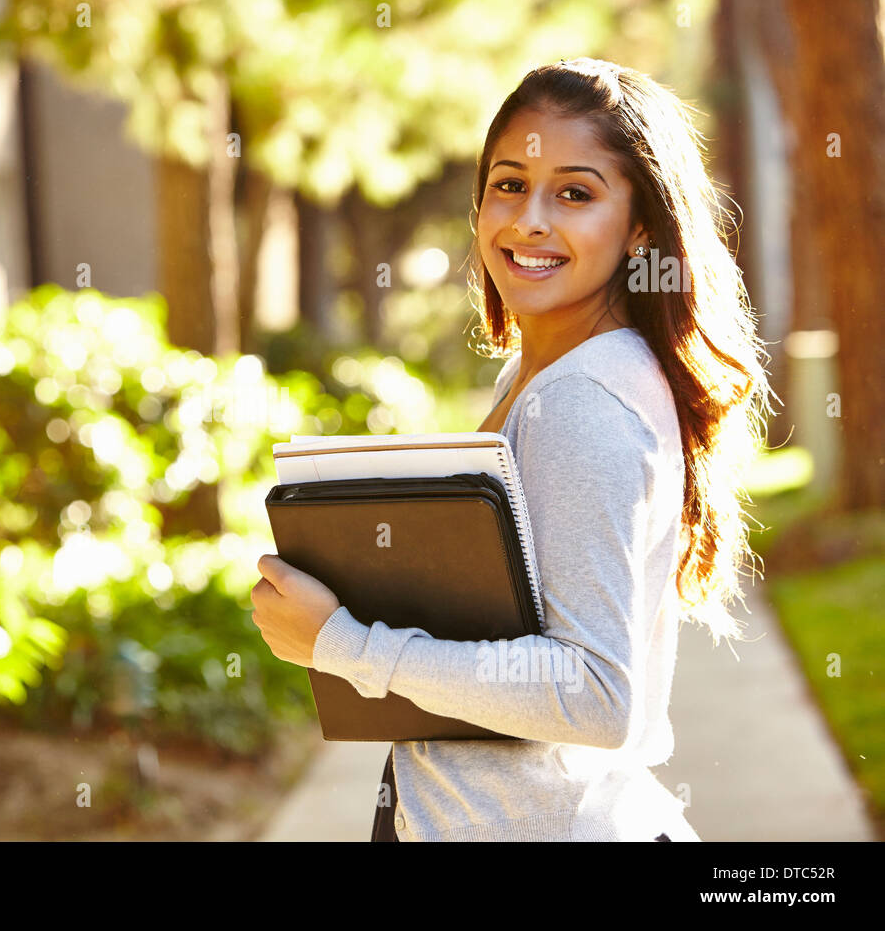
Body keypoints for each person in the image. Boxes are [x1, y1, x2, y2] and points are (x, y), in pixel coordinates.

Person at [249, 58, 776, 841]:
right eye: (508, 183)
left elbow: (596, 693)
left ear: (640, 227)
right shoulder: (541, 372)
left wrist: (344, 645)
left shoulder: (583, 399)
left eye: (575, 193)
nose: (530, 219)